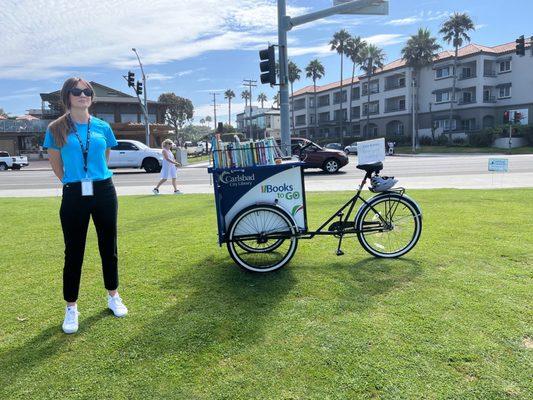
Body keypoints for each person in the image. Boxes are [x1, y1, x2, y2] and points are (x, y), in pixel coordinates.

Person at [43, 77, 128, 334]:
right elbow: (56, 164)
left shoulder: (102, 126)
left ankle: (113, 295)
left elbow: (105, 156)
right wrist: (74, 181)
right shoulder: (56, 128)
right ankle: (71, 307)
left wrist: (93, 175)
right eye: (77, 91)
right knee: (74, 251)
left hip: (103, 190)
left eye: (87, 91)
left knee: (108, 246)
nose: (83, 95)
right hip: (73, 193)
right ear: (67, 96)